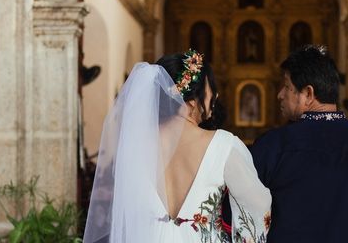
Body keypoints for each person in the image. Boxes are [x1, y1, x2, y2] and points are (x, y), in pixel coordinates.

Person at [83, 50, 271, 243]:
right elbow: (258, 204)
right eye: (209, 90)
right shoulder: (224, 145)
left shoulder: (134, 146)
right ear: (190, 103)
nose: (215, 95)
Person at [250, 45, 348, 243]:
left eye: (287, 87)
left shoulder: (272, 146)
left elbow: (242, 219)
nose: (280, 94)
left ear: (308, 93)